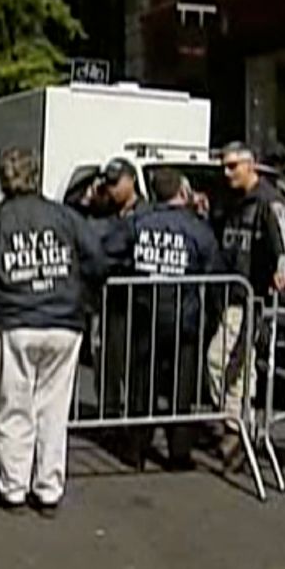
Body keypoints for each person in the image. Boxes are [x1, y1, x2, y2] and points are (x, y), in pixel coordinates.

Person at [0, 148, 106, 517]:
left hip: (16, 320)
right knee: (53, 409)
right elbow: (97, 259)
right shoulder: (65, 216)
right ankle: (48, 488)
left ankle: (14, 488)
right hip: (63, 320)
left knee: (16, 406)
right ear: (36, 175)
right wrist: (83, 296)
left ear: (3, 180)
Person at [106, 168, 223, 470]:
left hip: (145, 314)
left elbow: (108, 253)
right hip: (184, 319)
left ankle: (136, 450)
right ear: (182, 192)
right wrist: (215, 314)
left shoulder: (138, 224)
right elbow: (214, 270)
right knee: (180, 387)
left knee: (141, 384)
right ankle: (178, 453)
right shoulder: (197, 229)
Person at [209, 142, 285, 471]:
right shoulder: (232, 201)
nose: (226, 172)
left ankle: (236, 426)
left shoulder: (269, 202)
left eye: (232, 166)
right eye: (224, 166)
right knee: (234, 365)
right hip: (230, 294)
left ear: (251, 166)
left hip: (253, 298)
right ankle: (238, 425)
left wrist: (282, 271)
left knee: (224, 361)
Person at [95, 158, 150, 420]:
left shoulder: (145, 214)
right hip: (109, 299)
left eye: (116, 183)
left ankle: (131, 418)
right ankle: (108, 415)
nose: (111, 189)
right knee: (106, 361)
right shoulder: (104, 210)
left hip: (135, 299)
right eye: (108, 183)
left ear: (131, 180)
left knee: (133, 365)